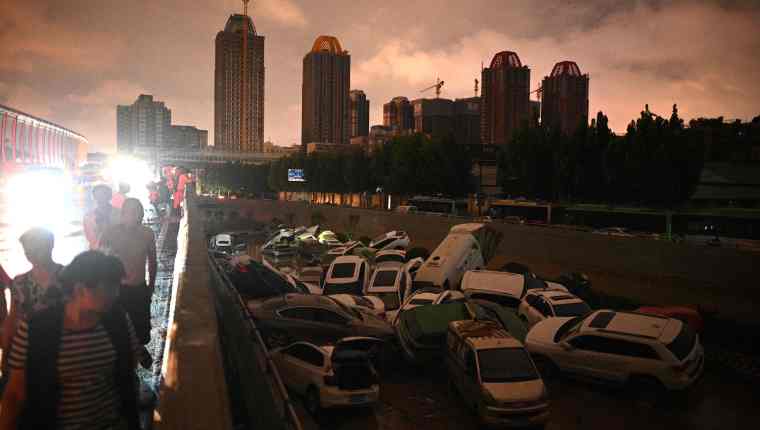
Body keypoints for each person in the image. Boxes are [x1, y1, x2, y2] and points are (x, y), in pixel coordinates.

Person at [0, 251, 140, 430]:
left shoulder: (118, 321)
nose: (116, 294)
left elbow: (129, 369)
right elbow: (15, 394)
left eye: (116, 287)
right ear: (80, 289)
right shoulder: (36, 329)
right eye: (109, 288)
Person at [100, 198, 157, 346]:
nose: (132, 216)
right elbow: (99, 261)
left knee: (142, 333)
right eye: (128, 213)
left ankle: (137, 352)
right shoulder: (111, 233)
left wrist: (150, 287)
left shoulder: (147, 234)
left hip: (139, 289)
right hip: (117, 291)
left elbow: (152, 262)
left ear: (141, 215)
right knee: (118, 333)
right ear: (122, 214)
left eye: (136, 212)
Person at [83, 184, 120, 250]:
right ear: (94, 197)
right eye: (98, 195)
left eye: (104, 194)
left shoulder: (118, 213)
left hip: (116, 250)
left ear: (110, 196)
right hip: (97, 252)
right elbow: (91, 238)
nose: (101, 198)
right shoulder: (88, 217)